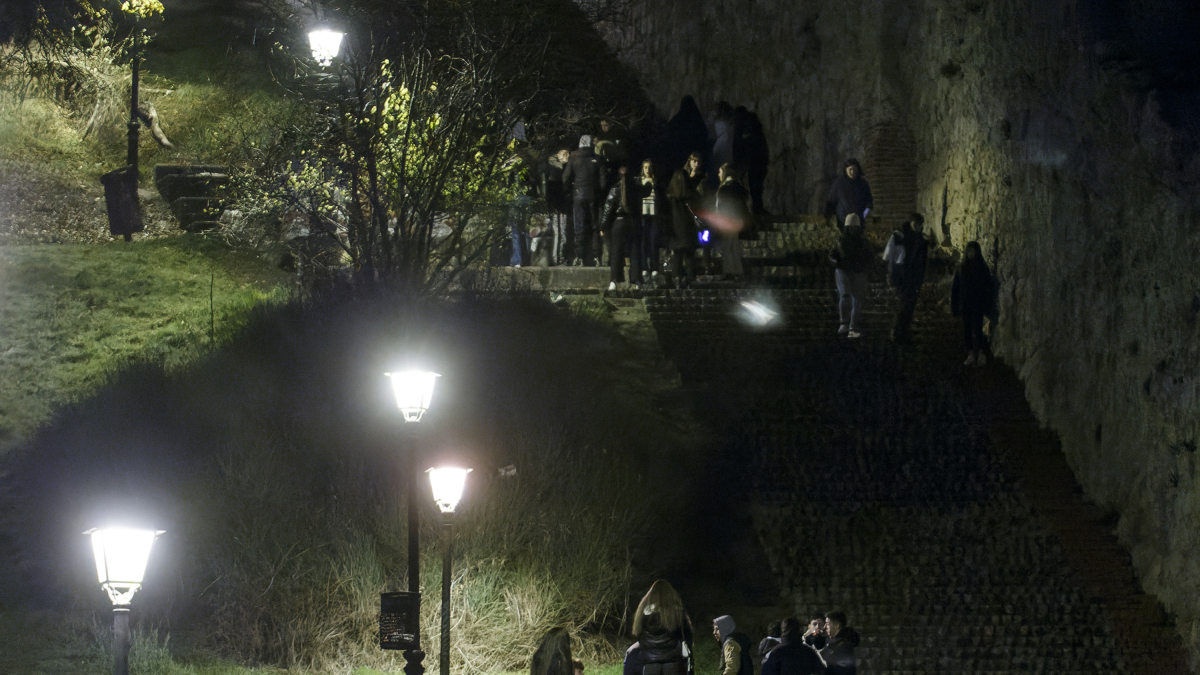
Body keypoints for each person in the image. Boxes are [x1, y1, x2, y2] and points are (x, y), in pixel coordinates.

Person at [884, 213, 929, 344]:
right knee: (902, 305)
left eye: (920, 225)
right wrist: (890, 274)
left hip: (914, 278)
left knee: (910, 306)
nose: (917, 227)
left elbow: (922, 262)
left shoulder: (920, 241)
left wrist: (921, 278)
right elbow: (889, 256)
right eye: (915, 224)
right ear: (910, 223)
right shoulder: (899, 237)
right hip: (901, 276)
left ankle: (904, 333)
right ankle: (897, 332)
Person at [951, 240, 997, 366]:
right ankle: (971, 353)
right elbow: (956, 289)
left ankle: (980, 353)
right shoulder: (962, 268)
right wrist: (955, 306)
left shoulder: (982, 268)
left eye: (973, 251)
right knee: (967, 329)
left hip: (977, 304)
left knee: (977, 328)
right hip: (966, 304)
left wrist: (986, 304)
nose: (971, 253)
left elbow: (987, 287)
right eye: (969, 251)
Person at [633, 580, 694, 675]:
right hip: (674, 663)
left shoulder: (642, 612)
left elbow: (639, 635)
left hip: (650, 664)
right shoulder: (676, 611)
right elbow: (687, 635)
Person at [562, 135, 604, 266]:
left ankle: (579, 255)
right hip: (593, 195)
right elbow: (603, 181)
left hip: (578, 194)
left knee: (579, 226)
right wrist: (599, 193)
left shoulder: (574, 158)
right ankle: (597, 255)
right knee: (594, 225)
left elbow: (565, 178)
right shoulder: (597, 159)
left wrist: (568, 192)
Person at [828, 214, 873, 338]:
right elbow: (832, 253)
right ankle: (844, 323)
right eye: (850, 227)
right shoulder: (840, 240)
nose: (853, 230)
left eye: (854, 228)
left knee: (857, 299)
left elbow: (869, 255)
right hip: (844, 270)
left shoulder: (863, 241)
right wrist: (835, 260)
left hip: (858, 271)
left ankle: (853, 325)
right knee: (845, 296)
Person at [666, 153, 706, 288]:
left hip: (675, 231)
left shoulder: (671, 198)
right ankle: (690, 279)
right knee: (689, 256)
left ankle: (677, 279)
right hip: (688, 230)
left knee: (677, 255)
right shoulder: (691, 195)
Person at [600, 164, 642, 290]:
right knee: (635, 252)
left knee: (616, 252)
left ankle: (614, 280)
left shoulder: (615, 188)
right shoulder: (636, 189)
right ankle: (636, 281)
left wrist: (603, 226)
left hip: (619, 222)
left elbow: (608, 209)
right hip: (633, 222)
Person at [711, 163, 751, 280]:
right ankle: (738, 273)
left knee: (727, 247)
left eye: (720, 172)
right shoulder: (739, 187)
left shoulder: (724, 188)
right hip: (738, 220)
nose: (718, 174)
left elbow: (719, 208)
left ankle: (729, 272)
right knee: (734, 246)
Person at [760, 617, 826, 675]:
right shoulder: (807, 651)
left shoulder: (776, 652)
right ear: (799, 630)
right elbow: (820, 671)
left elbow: (767, 672)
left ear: (783, 630)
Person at [541, 148, 572, 265]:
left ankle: (557, 258)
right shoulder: (562, 169)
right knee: (561, 232)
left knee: (558, 232)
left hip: (555, 205)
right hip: (561, 204)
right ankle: (560, 258)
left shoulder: (550, 167)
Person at [824, 159, 873, 230]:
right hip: (842, 222)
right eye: (850, 169)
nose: (853, 172)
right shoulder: (839, 183)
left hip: (859, 222)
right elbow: (831, 200)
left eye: (855, 169)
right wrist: (827, 216)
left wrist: (866, 212)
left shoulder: (863, 184)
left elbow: (868, 200)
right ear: (846, 169)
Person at [635, 159, 662, 285]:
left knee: (653, 241)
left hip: (654, 215)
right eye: (645, 167)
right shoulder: (639, 181)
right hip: (643, 215)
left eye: (649, 167)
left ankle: (655, 268)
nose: (647, 170)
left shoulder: (656, 182)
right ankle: (645, 267)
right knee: (643, 241)